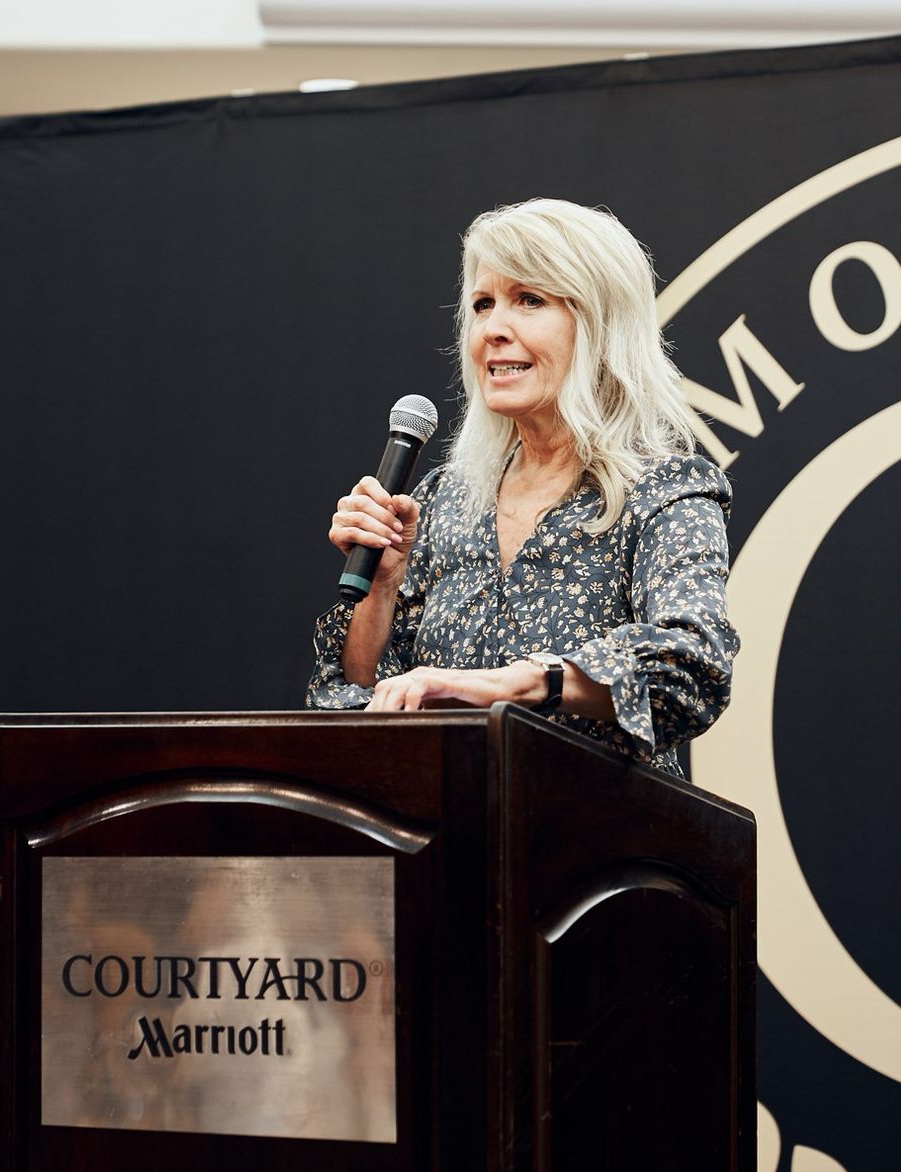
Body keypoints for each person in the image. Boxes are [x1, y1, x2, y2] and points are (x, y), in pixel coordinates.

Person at [306, 198, 738, 777]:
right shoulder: (442, 500)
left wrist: (520, 683)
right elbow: (355, 704)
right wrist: (380, 590)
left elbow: (692, 666)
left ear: (599, 323)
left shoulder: (664, 489)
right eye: (482, 305)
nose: (493, 330)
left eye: (529, 300)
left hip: (601, 848)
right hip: (441, 838)